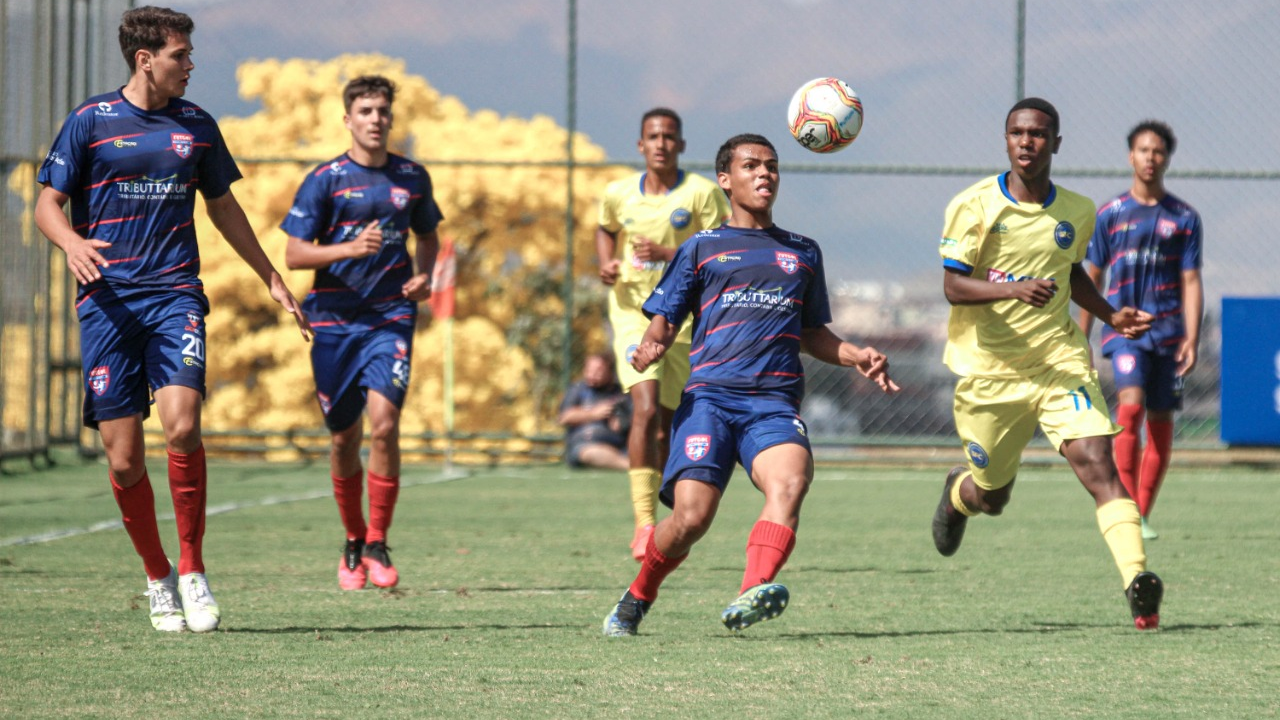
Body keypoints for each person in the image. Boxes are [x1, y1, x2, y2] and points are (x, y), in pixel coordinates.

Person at [34, 6, 311, 633]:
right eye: (180, 55)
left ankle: (192, 568)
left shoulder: (197, 126)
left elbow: (224, 208)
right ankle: (157, 577)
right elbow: (47, 204)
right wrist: (72, 243)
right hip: (107, 303)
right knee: (124, 457)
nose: (190, 64)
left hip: (174, 296)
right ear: (145, 60)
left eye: (188, 54)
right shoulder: (90, 122)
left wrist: (270, 276)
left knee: (183, 427)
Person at [601, 133, 900, 637]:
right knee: (691, 519)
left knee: (790, 483)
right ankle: (638, 595)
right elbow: (663, 321)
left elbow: (812, 334)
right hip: (709, 401)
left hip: (774, 404)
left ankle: (749, 593)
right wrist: (652, 345)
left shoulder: (803, 252)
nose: (765, 174)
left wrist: (856, 355)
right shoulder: (701, 247)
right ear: (726, 180)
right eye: (751, 166)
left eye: (772, 166)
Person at [931, 97, 1165, 630]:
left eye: (1038, 134)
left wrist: (1109, 315)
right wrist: (1013, 288)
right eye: (1018, 133)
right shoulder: (973, 205)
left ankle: (1137, 582)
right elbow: (952, 285)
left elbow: (1070, 270)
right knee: (992, 497)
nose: (1027, 142)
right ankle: (956, 495)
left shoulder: (1078, 211)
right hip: (990, 372)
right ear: (1006, 139)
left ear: (1056, 142)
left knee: (1098, 465)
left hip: (1059, 363)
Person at [282, 75, 442, 591]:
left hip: (390, 319)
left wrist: (423, 276)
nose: (376, 119)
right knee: (344, 436)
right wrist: (348, 249)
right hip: (333, 320)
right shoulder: (325, 180)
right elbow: (294, 254)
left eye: (383, 111)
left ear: (391, 118)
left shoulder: (412, 177)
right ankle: (352, 539)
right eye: (366, 111)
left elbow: (428, 234)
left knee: (385, 425)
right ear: (348, 119)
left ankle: (377, 539)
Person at [596, 108, 731, 561]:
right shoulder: (617, 193)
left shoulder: (702, 194)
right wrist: (607, 262)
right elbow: (605, 229)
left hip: (687, 321)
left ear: (681, 145)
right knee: (646, 407)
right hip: (634, 315)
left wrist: (668, 253)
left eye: (669, 137)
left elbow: (722, 250)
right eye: (653, 136)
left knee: (671, 423)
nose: (661, 144)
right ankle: (644, 523)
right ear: (640, 145)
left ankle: (675, 504)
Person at [1079, 120, 1203, 541]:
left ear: (1166, 158)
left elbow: (1190, 281)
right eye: (1143, 150)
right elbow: (1091, 277)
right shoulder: (1110, 214)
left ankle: (1143, 512)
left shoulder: (1184, 218)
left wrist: (1192, 335)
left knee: (1162, 418)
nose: (1151, 158)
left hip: (1168, 333)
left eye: (1158, 151)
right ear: (1130, 156)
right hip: (1124, 332)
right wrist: (1082, 335)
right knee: (1129, 406)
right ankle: (1127, 507)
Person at [558, 353, 631, 471]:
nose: (591, 374)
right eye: (588, 369)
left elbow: (627, 423)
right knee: (590, 452)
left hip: (619, 447)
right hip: (585, 446)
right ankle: (629, 466)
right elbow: (565, 417)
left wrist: (620, 422)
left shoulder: (621, 394)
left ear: (610, 371)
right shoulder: (577, 390)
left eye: (598, 370)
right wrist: (593, 414)